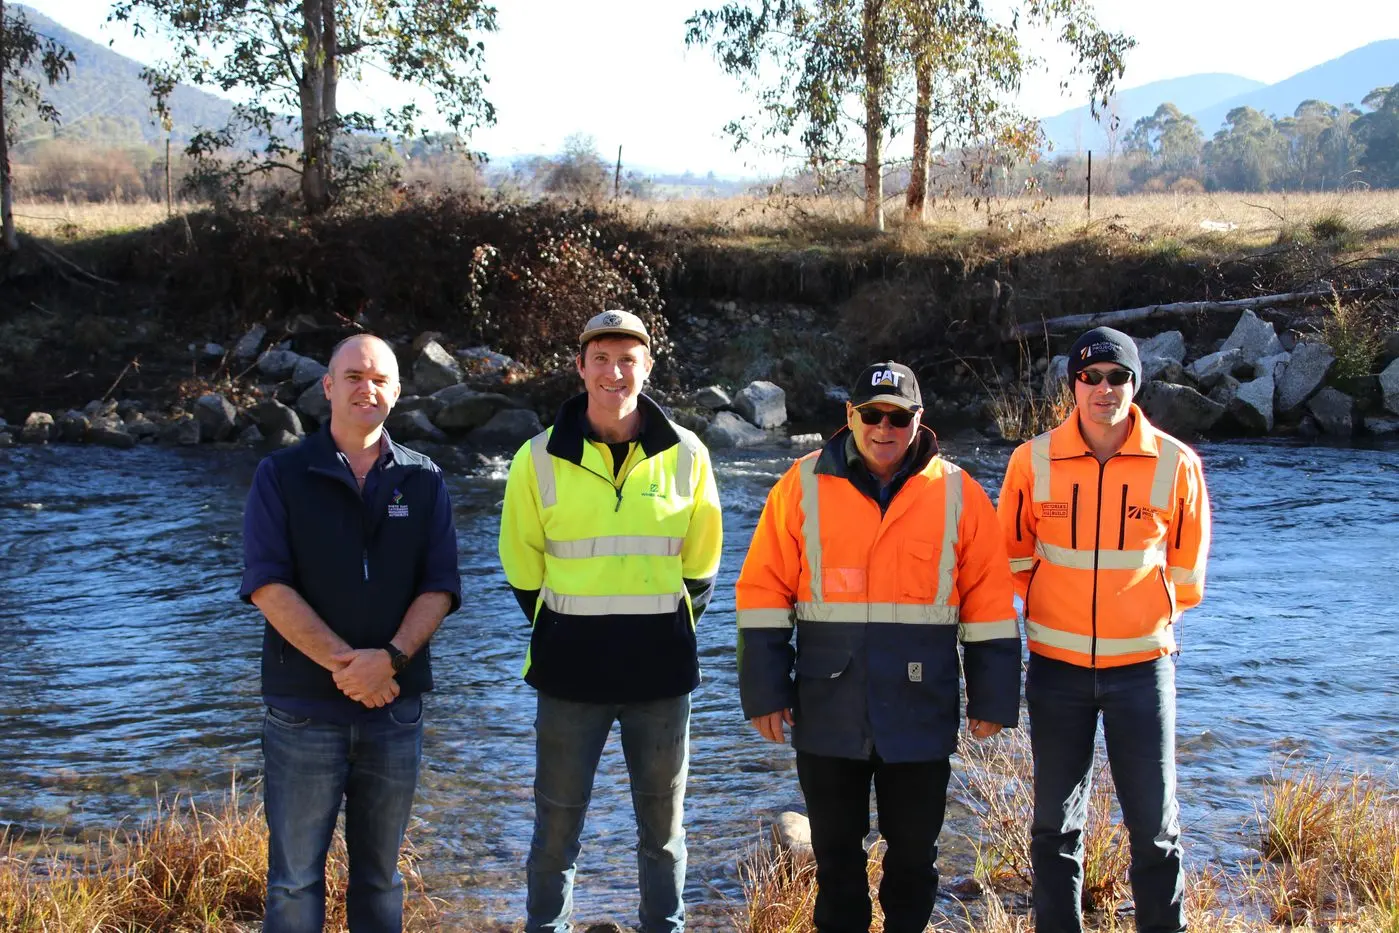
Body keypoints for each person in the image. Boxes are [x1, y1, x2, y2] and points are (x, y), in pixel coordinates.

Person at [736, 360, 1021, 933]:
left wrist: (992, 700)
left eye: (898, 416)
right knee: (837, 862)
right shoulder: (801, 484)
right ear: (850, 416)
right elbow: (764, 588)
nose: (884, 427)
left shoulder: (959, 493)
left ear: (919, 420)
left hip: (919, 707)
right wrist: (764, 691)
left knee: (914, 861)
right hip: (827, 708)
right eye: (872, 414)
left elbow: (989, 601)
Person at [498, 309, 724, 933]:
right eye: (601, 357)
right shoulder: (536, 458)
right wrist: (568, 630)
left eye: (628, 359)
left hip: (661, 678)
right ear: (580, 367)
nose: (614, 371)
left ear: (647, 367)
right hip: (569, 678)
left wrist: (664, 631)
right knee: (556, 830)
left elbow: (703, 565)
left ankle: (665, 927)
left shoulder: (688, 454)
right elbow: (521, 566)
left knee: (664, 834)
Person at [240, 334, 461, 933]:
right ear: (328, 386)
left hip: (394, 711)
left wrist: (387, 660)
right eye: (354, 376)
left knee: (382, 876)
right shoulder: (281, 475)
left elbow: (439, 588)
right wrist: (349, 665)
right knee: (293, 880)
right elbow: (267, 585)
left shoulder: (424, 479)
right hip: (303, 711)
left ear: (397, 391)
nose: (368, 388)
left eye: (380, 378)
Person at [997, 327, 1211, 933]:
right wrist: (1052, 605)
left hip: (1143, 671)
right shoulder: (1030, 461)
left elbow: (1187, 574)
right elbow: (1011, 557)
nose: (1103, 388)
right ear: (1073, 386)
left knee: (1155, 827)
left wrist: (1140, 618)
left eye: (1117, 377)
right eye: (1090, 377)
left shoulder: (1176, 464)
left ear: (1135, 384)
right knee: (1054, 827)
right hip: (1056, 670)